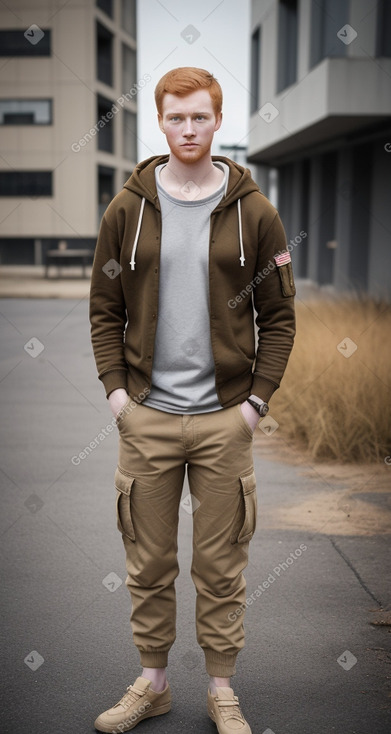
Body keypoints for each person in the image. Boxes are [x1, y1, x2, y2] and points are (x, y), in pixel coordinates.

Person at [89, 66, 295, 734]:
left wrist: (253, 405)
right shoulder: (128, 209)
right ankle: (152, 683)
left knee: (220, 565)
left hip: (222, 421)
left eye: (199, 117)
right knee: (147, 562)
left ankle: (221, 690)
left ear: (216, 119)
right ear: (160, 120)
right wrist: (119, 396)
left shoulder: (255, 212)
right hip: (146, 417)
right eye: (176, 117)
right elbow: (104, 308)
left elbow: (280, 318)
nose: (188, 129)